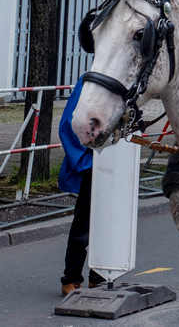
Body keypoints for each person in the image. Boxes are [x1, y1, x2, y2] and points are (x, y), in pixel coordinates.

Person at [58, 76, 104, 296]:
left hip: (112, 164)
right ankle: (72, 277)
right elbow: (69, 123)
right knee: (84, 224)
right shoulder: (88, 82)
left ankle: (99, 276)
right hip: (94, 163)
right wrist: (86, 162)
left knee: (108, 222)